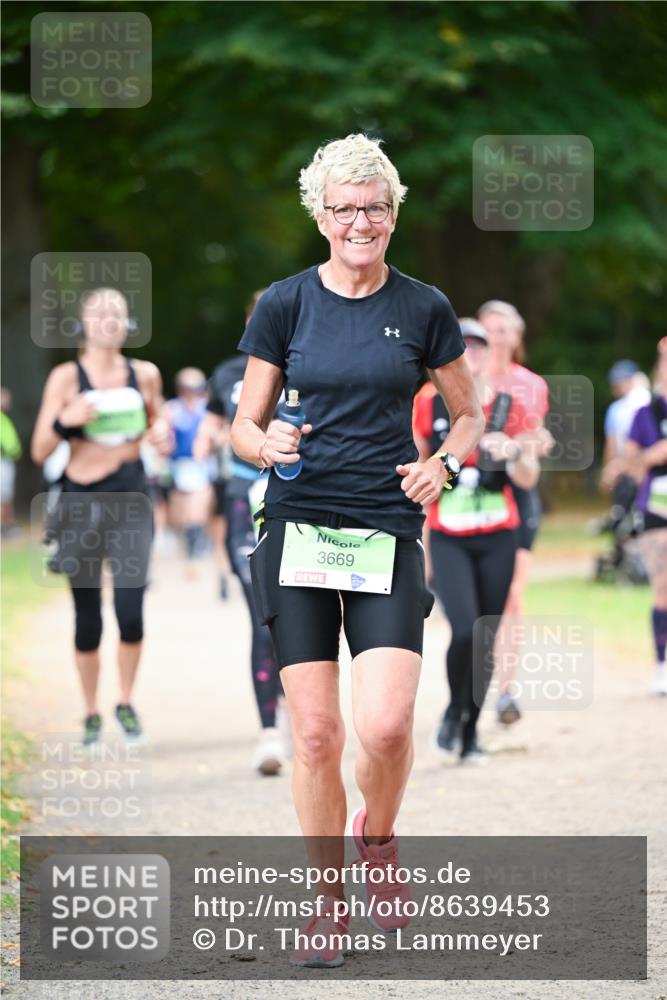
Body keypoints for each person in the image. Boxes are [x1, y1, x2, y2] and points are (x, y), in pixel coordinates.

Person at [230, 133, 484, 967]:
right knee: (312, 735)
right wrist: (263, 446)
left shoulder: (424, 307)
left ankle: (376, 840)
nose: (360, 221)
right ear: (319, 214)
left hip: (383, 527)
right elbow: (242, 425)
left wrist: (442, 462)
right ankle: (326, 902)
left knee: (381, 727)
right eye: (344, 208)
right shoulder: (285, 304)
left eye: (374, 206)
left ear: (393, 211)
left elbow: (469, 413)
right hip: (298, 526)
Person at [31, 287, 171, 746]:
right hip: (79, 504)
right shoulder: (66, 378)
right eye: (99, 312)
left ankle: (125, 702)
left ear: (128, 322)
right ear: (83, 323)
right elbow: (39, 450)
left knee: (130, 613)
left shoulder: (143, 374)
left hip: (131, 500)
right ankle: (91, 712)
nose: (109, 319)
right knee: (87, 618)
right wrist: (65, 419)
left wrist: (162, 436)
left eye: (117, 312)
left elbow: (158, 423)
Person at [414, 319, 540, 763]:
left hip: (498, 535)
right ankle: (454, 709)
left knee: (485, 635)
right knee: (465, 629)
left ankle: (470, 731)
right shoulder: (427, 404)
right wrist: (421, 548)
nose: (471, 353)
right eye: (463, 346)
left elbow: (528, 477)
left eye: (479, 346)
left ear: (489, 355)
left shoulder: (506, 405)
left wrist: (517, 451)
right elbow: (414, 471)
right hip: (448, 537)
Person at [194, 288, 290, 776]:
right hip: (241, 497)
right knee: (261, 612)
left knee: (298, 613)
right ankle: (269, 731)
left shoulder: (304, 367)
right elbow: (209, 427)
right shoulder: (228, 375)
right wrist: (208, 437)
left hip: (295, 501)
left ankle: (297, 697)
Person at [477, 299, 551, 725]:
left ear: (517, 336)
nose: (497, 337)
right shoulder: (460, 378)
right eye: (489, 329)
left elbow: (533, 437)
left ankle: (506, 691)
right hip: (469, 498)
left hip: (515, 492)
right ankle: (476, 678)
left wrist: (531, 443)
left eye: (504, 329)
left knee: (512, 595)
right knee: (478, 603)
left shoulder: (530, 384)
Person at [603, 339, 667, 695]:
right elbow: (628, 463)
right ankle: (662, 664)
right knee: (663, 588)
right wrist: (650, 456)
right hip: (658, 507)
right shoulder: (647, 413)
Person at [164, 368, 213, 574]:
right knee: (181, 517)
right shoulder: (172, 409)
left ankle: (196, 552)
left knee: (197, 512)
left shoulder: (207, 409)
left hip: (201, 465)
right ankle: (190, 551)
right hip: (178, 466)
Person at [0, 387, 22, 537]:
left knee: (6, 495)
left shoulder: (4, 417)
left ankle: (7, 525)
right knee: (3, 495)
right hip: (2, 460)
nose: (8, 401)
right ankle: (4, 527)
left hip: (7, 460)